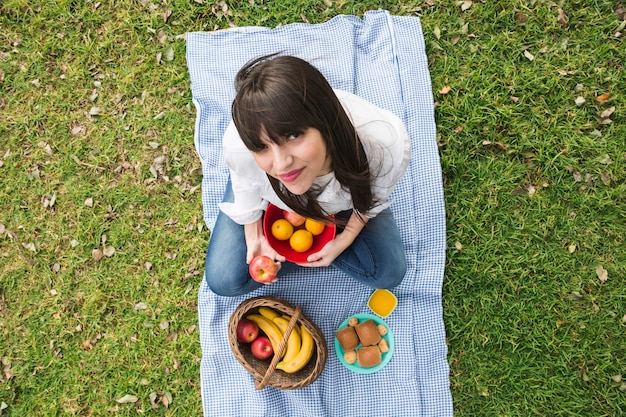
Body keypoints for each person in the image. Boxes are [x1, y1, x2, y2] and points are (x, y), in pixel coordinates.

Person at [205, 54, 411, 297]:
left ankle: (302, 255)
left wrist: (345, 239)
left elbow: (371, 196)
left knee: (389, 272)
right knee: (223, 280)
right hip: (264, 190)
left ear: (324, 122)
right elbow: (245, 181)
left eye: (292, 136)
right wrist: (255, 234)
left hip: (349, 184)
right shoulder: (240, 150)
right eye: (262, 147)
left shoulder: (383, 146)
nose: (281, 164)